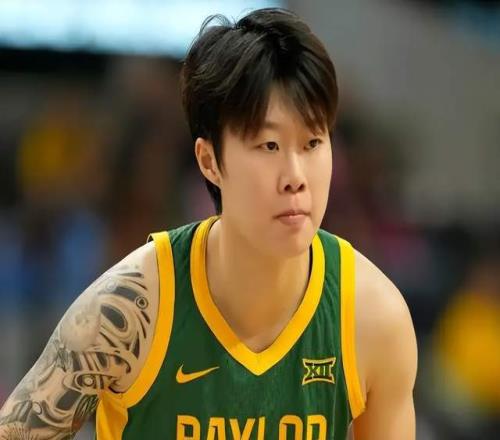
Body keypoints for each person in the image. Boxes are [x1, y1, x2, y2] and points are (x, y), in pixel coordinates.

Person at [0, 8, 417, 439]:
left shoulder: (373, 317)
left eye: (312, 143)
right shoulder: (125, 313)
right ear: (209, 161)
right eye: (269, 145)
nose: (295, 176)